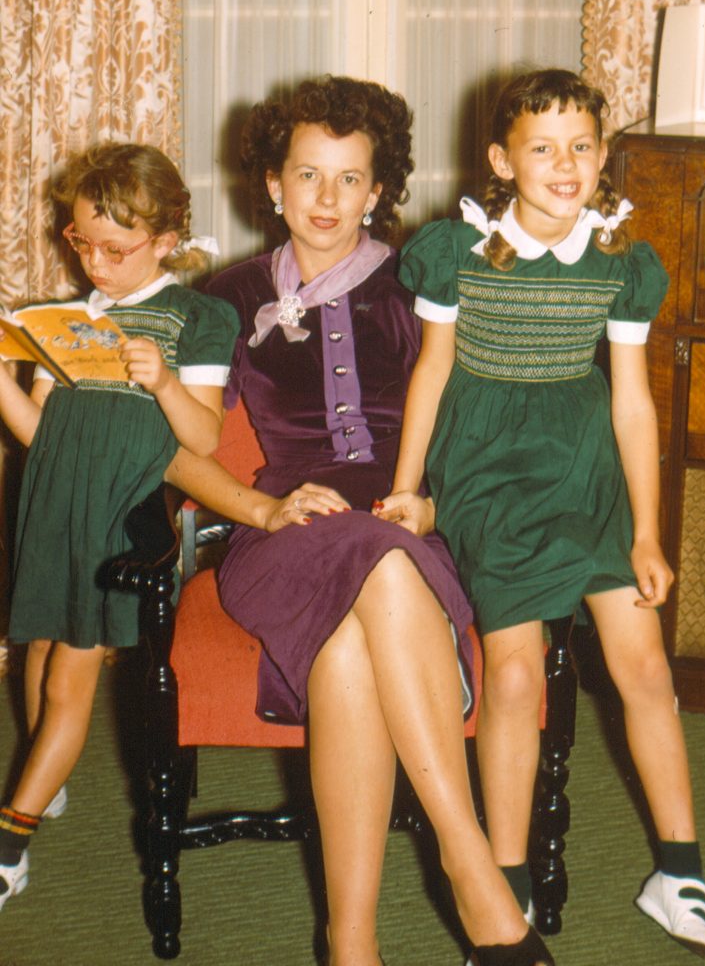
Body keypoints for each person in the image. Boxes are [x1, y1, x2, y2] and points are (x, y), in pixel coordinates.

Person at [166, 75, 554, 966]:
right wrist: (262, 505)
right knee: (375, 567)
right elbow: (180, 451)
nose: (327, 200)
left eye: (350, 180)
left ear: (379, 192)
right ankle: (471, 867)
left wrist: (434, 500)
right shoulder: (222, 297)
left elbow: (476, 415)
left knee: (349, 644)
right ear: (272, 182)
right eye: (307, 175)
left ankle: (350, 947)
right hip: (287, 533)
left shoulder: (421, 283)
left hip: (411, 520)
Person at [378, 68, 705, 964]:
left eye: (580, 145)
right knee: (512, 676)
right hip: (490, 464)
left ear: (602, 153)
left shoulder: (620, 261)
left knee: (642, 661)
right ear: (503, 160)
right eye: (541, 148)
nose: (564, 164)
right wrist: (411, 487)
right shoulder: (456, 250)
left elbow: (630, 405)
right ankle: (505, 880)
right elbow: (431, 373)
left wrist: (647, 532)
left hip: (585, 465)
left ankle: (678, 871)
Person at [0, 144, 239, 911]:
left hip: (121, 514)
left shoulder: (196, 316)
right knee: (36, 653)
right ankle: (49, 771)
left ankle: (11, 844)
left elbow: (201, 441)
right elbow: (39, 432)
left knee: (71, 671)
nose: (95, 264)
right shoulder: (63, 320)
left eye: (116, 249)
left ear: (166, 239)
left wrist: (163, 380)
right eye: (82, 244)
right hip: (53, 507)